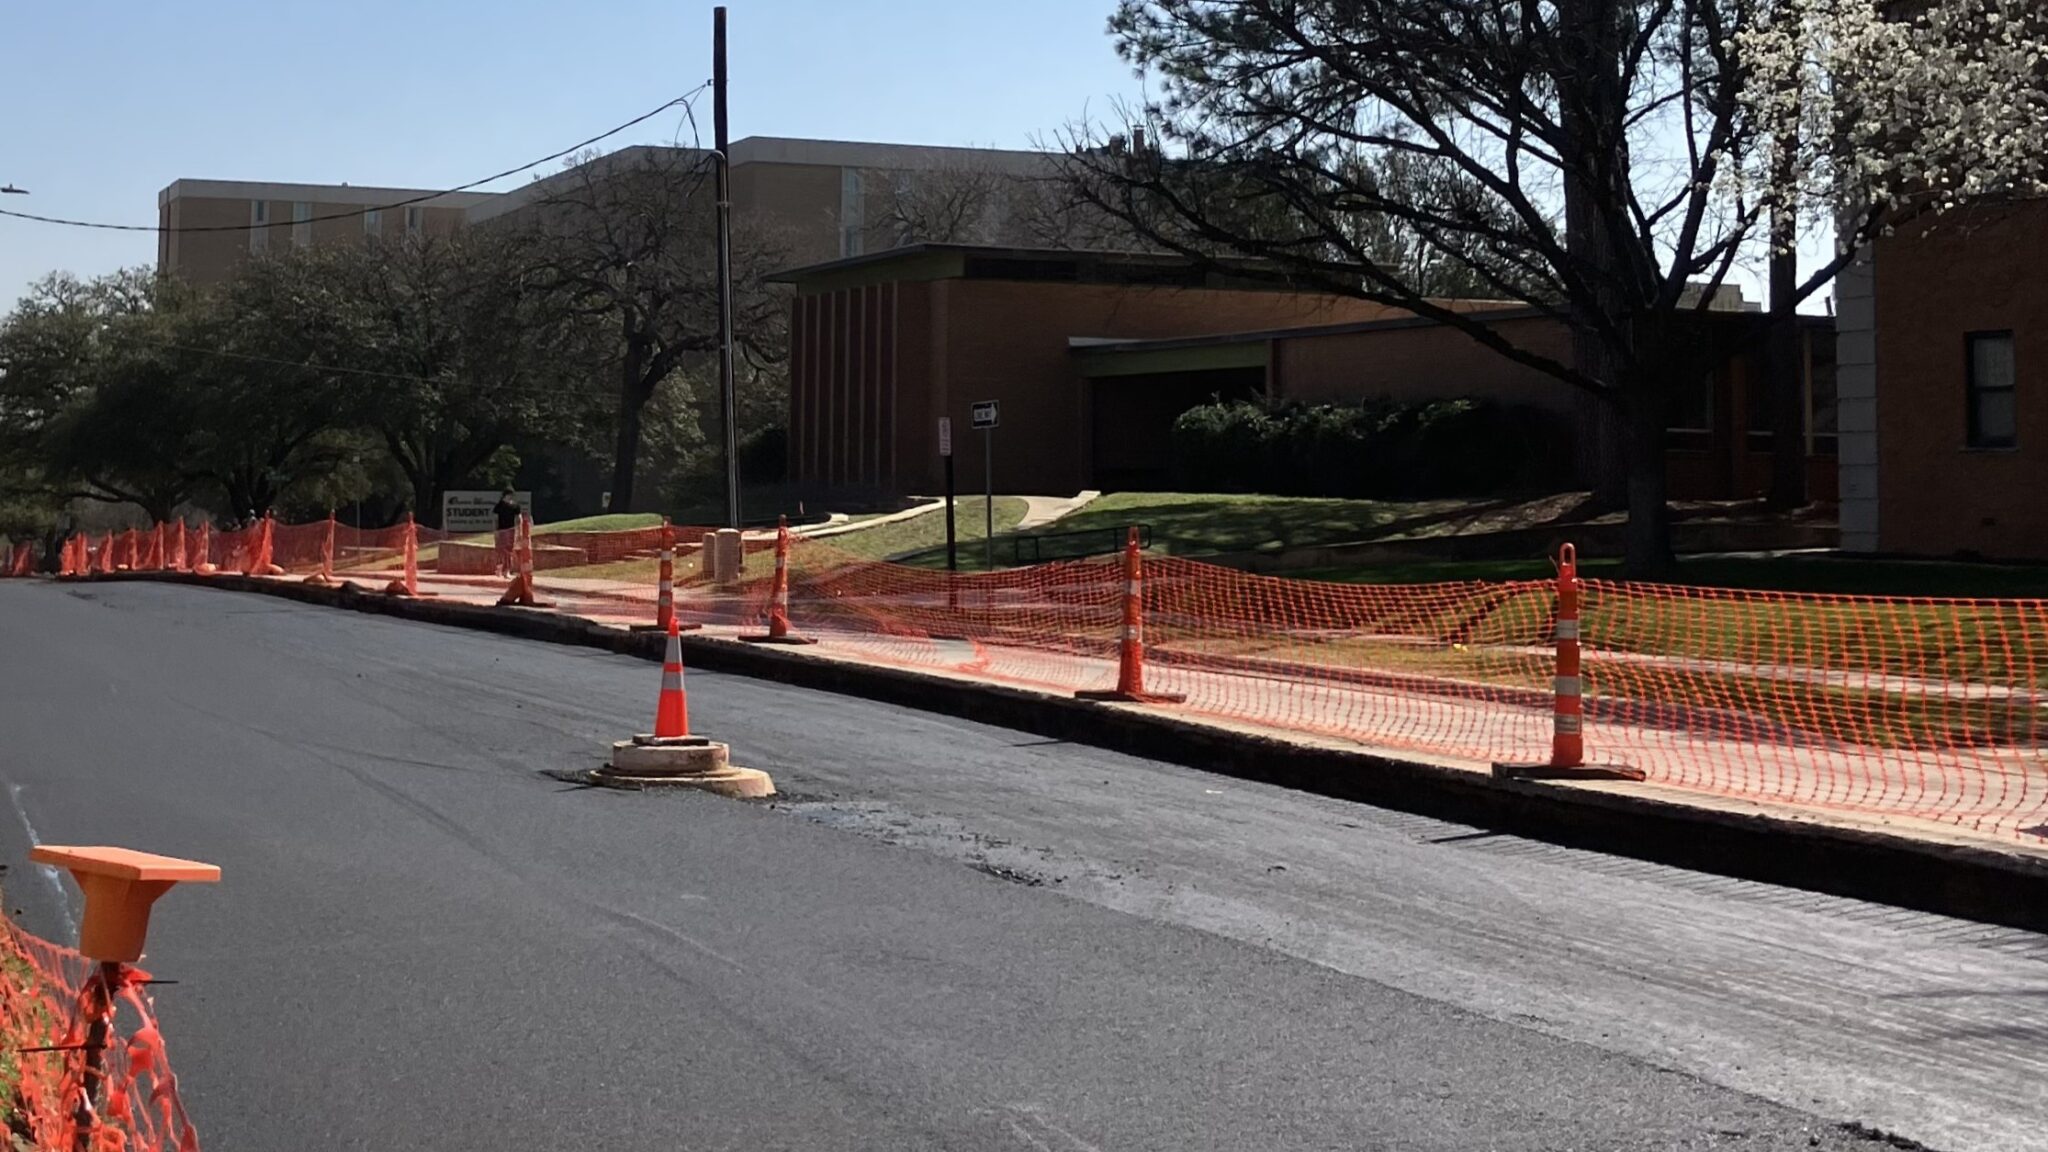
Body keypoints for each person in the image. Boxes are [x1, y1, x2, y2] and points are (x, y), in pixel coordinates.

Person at [492, 489, 522, 578]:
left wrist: (519, 530)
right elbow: (495, 519)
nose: (509, 497)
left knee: (509, 551)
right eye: (508, 495)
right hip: (501, 530)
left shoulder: (515, 506)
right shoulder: (499, 506)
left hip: (511, 529)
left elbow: (518, 518)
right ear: (504, 496)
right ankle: (499, 568)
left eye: (511, 495)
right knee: (501, 550)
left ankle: (507, 570)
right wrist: (495, 531)